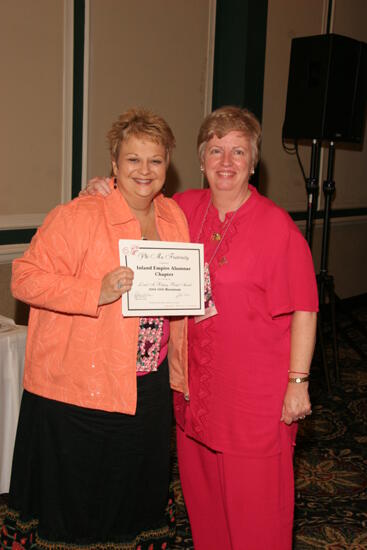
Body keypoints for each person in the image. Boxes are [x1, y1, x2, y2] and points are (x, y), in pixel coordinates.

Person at [82, 105, 318, 550]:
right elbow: (135, 201)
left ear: (253, 163)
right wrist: (104, 187)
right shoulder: (183, 209)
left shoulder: (277, 227)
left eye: (237, 151)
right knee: (205, 511)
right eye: (215, 150)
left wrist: (298, 382)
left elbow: (305, 306)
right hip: (195, 392)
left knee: (257, 519)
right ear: (201, 159)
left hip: (254, 400)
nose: (226, 162)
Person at [1, 108, 190, 549]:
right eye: (133, 160)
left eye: (155, 160)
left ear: (168, 165)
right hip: (80, 387)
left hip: (148, 384)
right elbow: (24, 277)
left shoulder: (173, 218)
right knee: (78, 504)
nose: (145, 171)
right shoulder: (80, 215)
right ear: (114, 164)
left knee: (133, 498)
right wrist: (95, 290)